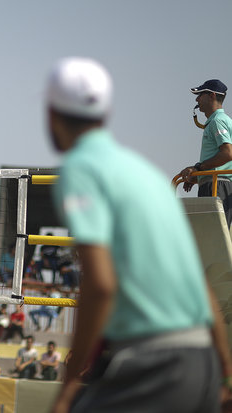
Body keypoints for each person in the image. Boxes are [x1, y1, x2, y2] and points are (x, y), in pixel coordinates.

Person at [46, 58, 229, 413]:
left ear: (52, 115)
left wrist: (69, 386)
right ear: (106, 112)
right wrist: (224, 374)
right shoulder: (147, 174)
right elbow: (201, 286)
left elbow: (98, 285)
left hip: (154, 364)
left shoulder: (81, 168)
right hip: (201, 363)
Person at [179, 79, 232, 228]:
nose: (197, 99)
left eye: (200, 95)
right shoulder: (223, 120)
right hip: (216, 183)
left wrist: (198, 168)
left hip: (216, 185)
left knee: (212, 238)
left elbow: (227, 154)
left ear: (212, 96)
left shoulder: (217, 121)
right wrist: (197, 178)